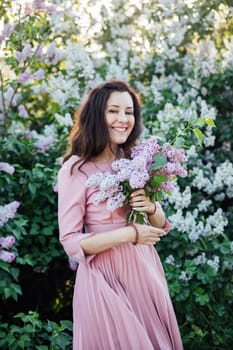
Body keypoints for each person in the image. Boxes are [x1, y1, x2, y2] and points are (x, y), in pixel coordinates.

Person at [57, 80, 183, 350]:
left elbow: (159, 226)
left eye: (129, 112)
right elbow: (69, 241)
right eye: (113, 111)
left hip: (144, 272)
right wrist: (130, 233)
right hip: (103, 278)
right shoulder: (76, 169)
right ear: (97, 116)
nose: (123, 119)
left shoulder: (138, 159)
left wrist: (151, 207)